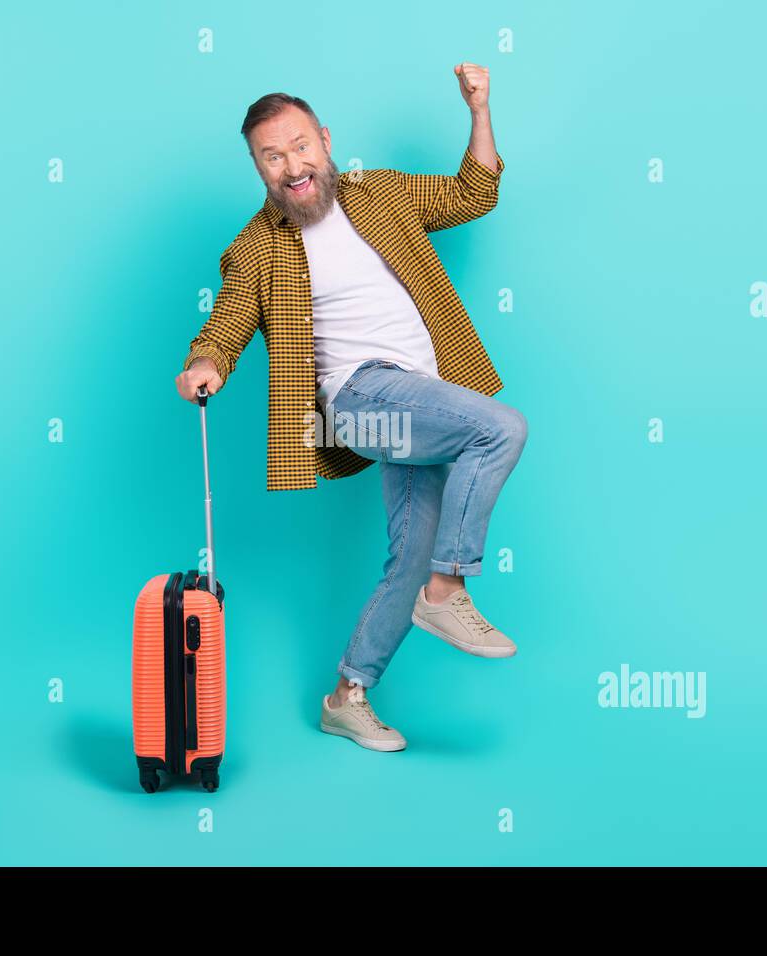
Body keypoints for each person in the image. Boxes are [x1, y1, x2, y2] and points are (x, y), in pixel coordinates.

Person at [174, 63, 526, 752]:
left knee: (409, 558)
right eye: (271, 157)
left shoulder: (381, 194)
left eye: (300, 146)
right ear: (258, 168)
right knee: (499, 428)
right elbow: (228, 323)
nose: (291, 165)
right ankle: (448, 594)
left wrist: (479, 108)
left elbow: (473, 193)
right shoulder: (255, 248)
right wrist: (203, 365)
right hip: (360, 403)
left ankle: (347, 695)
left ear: (325, 142)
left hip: (419, 400)